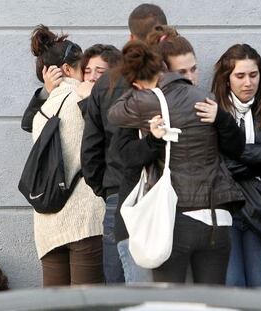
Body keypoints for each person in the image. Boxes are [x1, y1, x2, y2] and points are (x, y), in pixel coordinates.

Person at [107, 38, 245, 284]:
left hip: (174, 218)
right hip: (216, 218)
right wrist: (222, 118)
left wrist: (137, 85)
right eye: (183, 71)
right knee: (211, 303)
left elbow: (114, 113)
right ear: (165, 69)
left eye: (193, 69)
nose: (191, 76)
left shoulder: (145, 102)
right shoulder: (207, 98)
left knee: (169, 301)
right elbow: (238, 148)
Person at [81, 2, 168, 284]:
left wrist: (105, 187)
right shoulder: (173, 78)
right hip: (166, 193)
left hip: (118, 194)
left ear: (130, 38)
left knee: (118, 288)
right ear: (164, 37)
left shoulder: (106, 83)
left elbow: (91, 150)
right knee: (165, 287)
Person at [211, 43, 261, 288]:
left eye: (253, 75)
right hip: (225, 209)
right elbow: (213, 163)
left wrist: (235, 153)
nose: (248, 82)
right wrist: (258, 163)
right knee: (232, 286)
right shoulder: (213, 112)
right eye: (240, 76)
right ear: (227, 79)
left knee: (260, 287)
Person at [30, 24, 105, 286]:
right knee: (88, 303)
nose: (88, 74)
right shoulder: (86, 97)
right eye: (83, 68)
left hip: (47, 223)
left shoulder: (41, 112)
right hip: (84, 216)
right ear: (68, 69)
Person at [21, 44, 121, 132]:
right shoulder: (75, 96)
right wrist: (46, 91)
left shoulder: (123, 99)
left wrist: (87, 99)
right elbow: (28, 124)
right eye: (86, 71)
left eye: (100, 72)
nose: (91, 78)